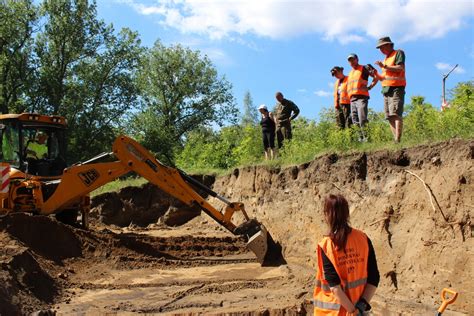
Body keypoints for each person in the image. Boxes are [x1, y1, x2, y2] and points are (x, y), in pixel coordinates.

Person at [313, 194, 380, 315]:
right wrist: (360, 306)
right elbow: (374, 278)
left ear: (327, 215)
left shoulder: (327, 245)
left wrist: (352, 311)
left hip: (332, 312)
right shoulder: (363, 239)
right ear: (347, 213)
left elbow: (334, 287)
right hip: (358, 309)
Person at [372, 36, 406, 143]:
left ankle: (398, 139)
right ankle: (396, 140)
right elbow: (383, 78)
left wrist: (385, 66)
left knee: (396, 113)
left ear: (389, 45)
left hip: (397, 87)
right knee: (389, 116)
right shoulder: (386, 59)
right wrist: (375, 73)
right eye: (379, 48)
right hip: (386, 90)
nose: (381, 50)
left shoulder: (398, 53)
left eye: (382, 47)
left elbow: (400, 68)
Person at [347, 54, 378, 141]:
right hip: (352, 99)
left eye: (353, 59)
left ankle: (367, 139)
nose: (352, 62)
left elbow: (376, 76)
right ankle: (361, 140)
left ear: (357, 59)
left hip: (361, 97)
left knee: (362, 118)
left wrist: (369, 87)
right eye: (350, 60)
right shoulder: (350, 73)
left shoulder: (364, 68)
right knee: (355, 120)